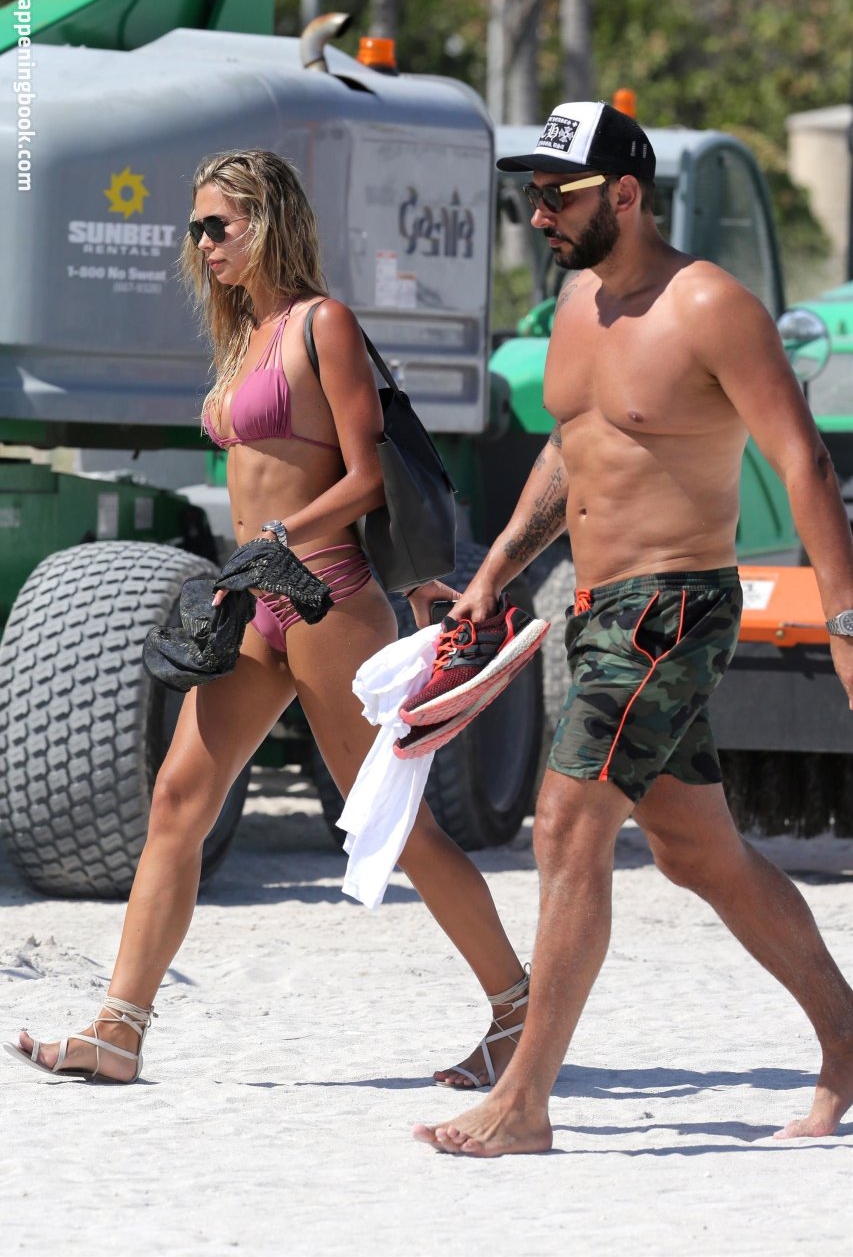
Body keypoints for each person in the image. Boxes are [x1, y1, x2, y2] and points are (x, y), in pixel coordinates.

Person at [5, 148, 528, 1087]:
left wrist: (286, 532)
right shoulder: (246, 333)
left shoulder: (323, 324)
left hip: (326, 594)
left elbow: (366, 478)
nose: (203, 243)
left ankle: (518, 1010)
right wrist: (250, 558)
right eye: (196, 228)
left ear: (270, 220)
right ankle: (119, 1030)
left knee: (391, 822)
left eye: (220, 225)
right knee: (177, 800)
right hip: (254, 597)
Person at [413, 101, 853, 1156]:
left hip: (671, 607)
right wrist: (496, 570)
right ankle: (848, 1036)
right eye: (530, 195)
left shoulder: (709, 305)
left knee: (564, 824)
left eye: (556, 195)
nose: (538, 214)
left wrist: (842, 619)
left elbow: (801, 458)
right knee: (698, 851)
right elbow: (568, 450)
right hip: (595, 606)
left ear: (623, 193)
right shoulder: (575, 305)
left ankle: (523, 1102)